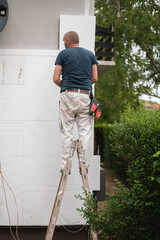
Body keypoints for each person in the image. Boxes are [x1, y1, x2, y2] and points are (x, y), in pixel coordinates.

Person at [53, 31, 98, 173]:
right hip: (85, 95)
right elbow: (95, 78)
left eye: (63, 41)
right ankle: (84, 164)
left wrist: (66, 85)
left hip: (68, 94)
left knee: (67, 130)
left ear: (67, 41)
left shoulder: (63, 54)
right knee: (85, 131)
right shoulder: (90, 55)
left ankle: (65, 166)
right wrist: (83, 85)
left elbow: (55, 78)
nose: (63, 44)